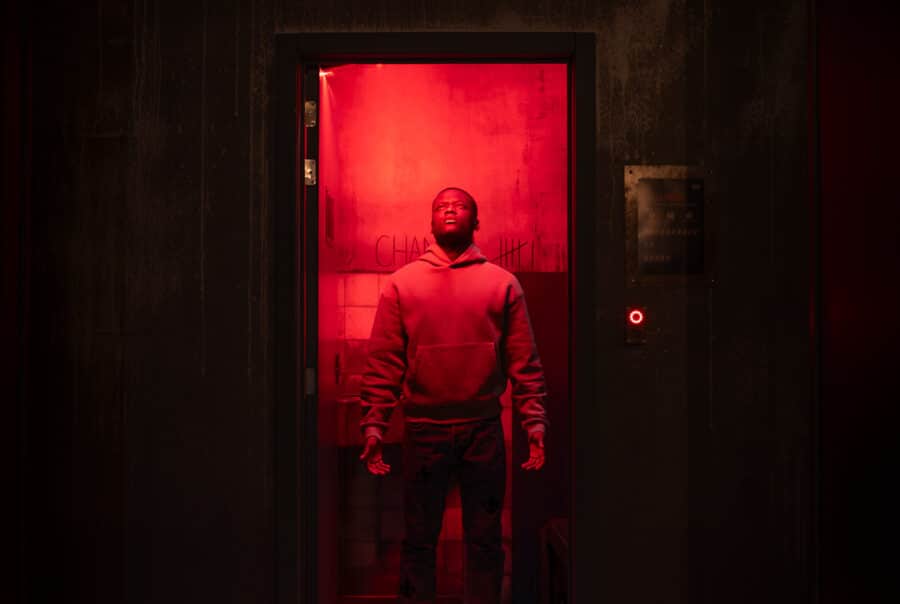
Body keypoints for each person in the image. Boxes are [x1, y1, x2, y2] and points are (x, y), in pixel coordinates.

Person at [358, 187, 549, 604]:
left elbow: (524, 360)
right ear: (430, 221)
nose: (450, 210)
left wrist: (534, 422)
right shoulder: (402, 284)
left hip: (483, 430)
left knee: (485, 540)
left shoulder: (503, 284)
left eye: (460, 206)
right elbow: (384, 361)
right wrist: (374, 424)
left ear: (475, 221)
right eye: (441, 206)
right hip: (423, 429)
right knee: (418, 539)